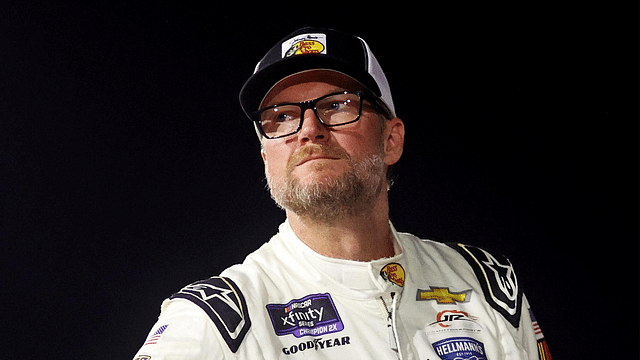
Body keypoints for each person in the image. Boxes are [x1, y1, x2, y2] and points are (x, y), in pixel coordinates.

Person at [133, 27, 551, 360]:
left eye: (336, 105)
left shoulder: (486, 283)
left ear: (392, 139)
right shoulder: (216, 320)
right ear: (266, 156)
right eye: (281, 117)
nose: (309, 130)